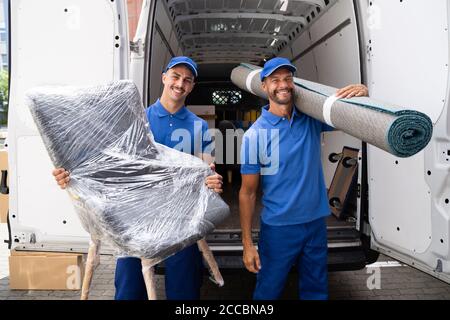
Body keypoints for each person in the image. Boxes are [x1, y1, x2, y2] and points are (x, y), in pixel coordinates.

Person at [53, 56, 223, 300]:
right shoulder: (135, 119)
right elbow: (106, 165)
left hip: (182, 221)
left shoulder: (199, 126)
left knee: (184, 292)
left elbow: (207, 169)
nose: (180, 83)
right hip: (134, 221)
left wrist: (213, 181)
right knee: (129, 291)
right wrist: (71, 177)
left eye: (187, 80)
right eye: (175, 76)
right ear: (164, 78)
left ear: (192, 87)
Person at [239, 57, 368, 300]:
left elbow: (352, 118)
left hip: (315, 224)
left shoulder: (310, 120)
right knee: (268, 291)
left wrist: (362, 93)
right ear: (264, 86)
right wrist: (247, 244)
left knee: (317, 291)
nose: (283, 84)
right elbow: (247, 193)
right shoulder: (255, 136)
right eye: (275, 80)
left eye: (288, 79)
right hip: (279, 229)